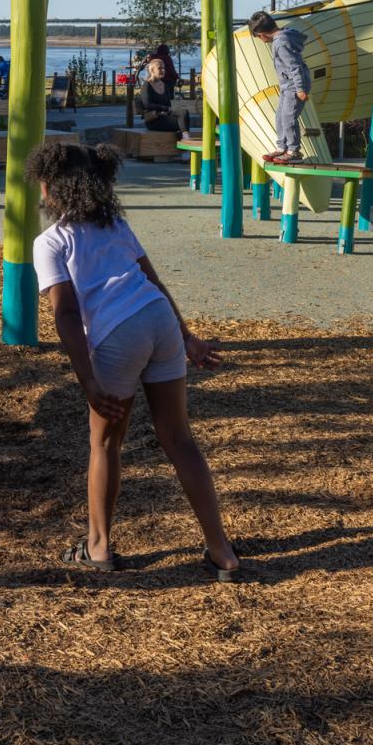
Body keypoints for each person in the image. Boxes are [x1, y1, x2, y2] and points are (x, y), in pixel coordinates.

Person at [29, 140, 240, 579]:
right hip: (158, 319)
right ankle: (222, 551)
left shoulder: (51, 242)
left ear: (51, 189)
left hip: (118, 334)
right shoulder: (115, 225)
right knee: (179, 438)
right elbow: (153, 280)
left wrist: (88, 381)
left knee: (106, 442)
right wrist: (187, 337)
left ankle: (99, 548)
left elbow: (65, 314)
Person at [248, 10, 311, 164]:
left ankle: (293, 151)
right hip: (287, 85)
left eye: (257, 37)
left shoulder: (281, 43)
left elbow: (294, 66)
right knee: (280, 117)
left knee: (289, 117)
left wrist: (300, 89)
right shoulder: (284, 35)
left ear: (262, 33)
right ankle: (282, 147)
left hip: (294, 86)